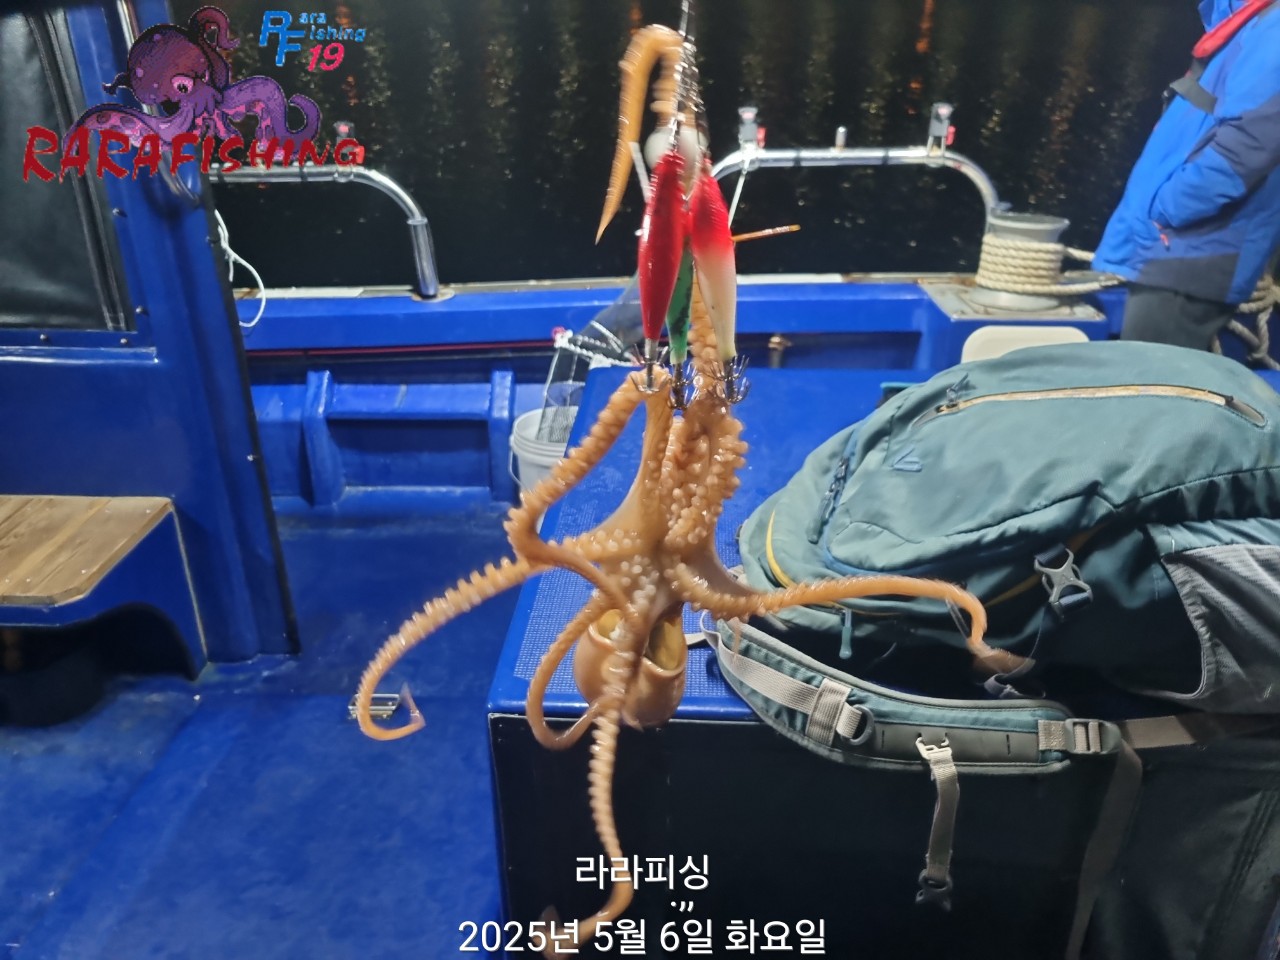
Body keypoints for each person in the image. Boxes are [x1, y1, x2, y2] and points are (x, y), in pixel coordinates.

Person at [1093, 0, 1280, 351]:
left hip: (1189, 252)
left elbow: (1248, 146)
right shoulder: (1250, 19)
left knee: (1152, 382)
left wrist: (1168, 210)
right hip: (1176, 247)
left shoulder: (1274, 26)